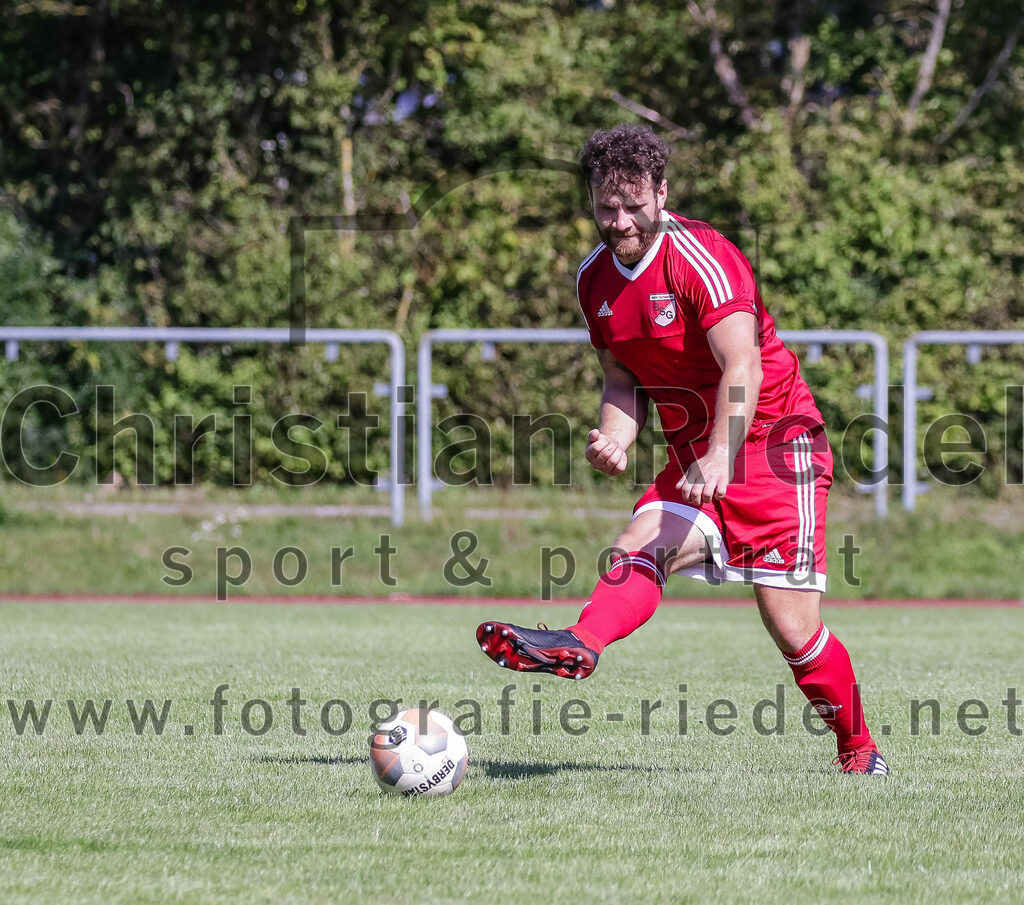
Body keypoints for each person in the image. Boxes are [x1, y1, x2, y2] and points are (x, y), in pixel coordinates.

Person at [476, 124, 888, 776]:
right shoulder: (594, 280)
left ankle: (860, 752)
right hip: (698, 456)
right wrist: (615, 435)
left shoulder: (704, 256)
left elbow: (743, 364)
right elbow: (622, 377)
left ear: (661, 194)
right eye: (605, 207)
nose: (619, 221)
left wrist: (722, 453)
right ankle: (579, 643)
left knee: (794, 631)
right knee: (638, 544)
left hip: (776, 450)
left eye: (632, 206)